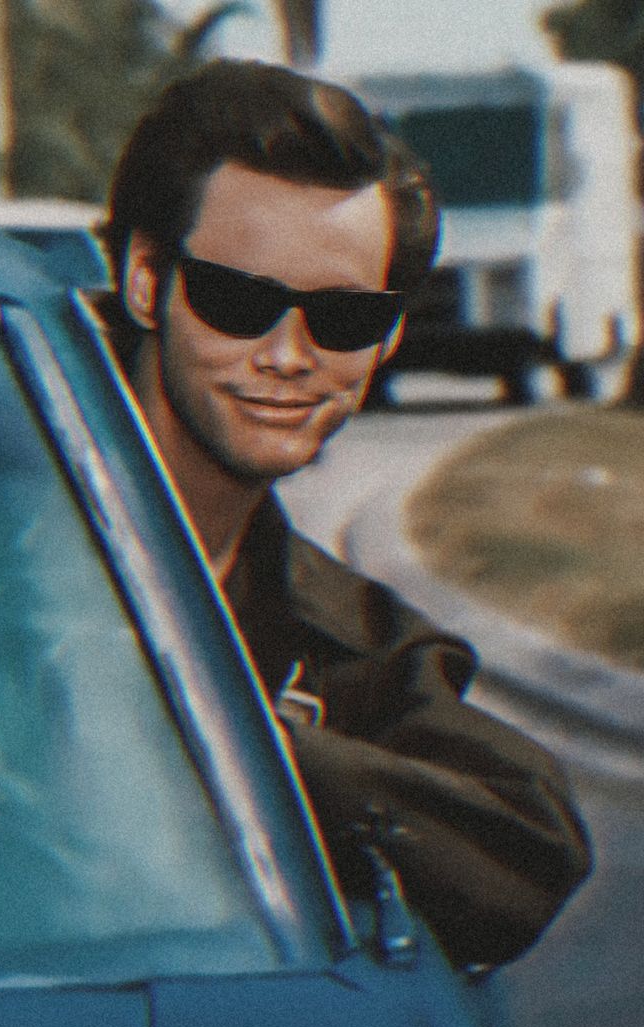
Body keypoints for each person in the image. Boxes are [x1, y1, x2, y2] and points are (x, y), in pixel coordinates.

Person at [103, 58, 591, 970]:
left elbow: (528, 849)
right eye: (238, 301)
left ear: (390, 336)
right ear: (144, 279)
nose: (288, 356)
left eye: (343, 319)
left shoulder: (354, 644)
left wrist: (246, 740)